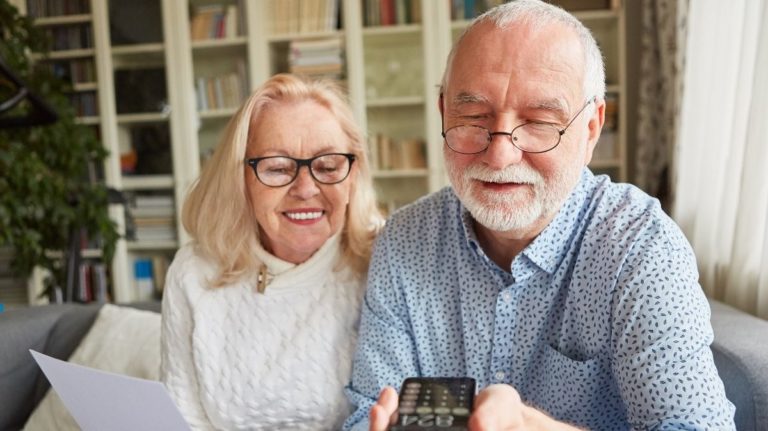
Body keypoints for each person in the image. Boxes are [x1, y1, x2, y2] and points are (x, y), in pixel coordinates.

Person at [344, 1, 735, 430]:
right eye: (474, 116)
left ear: (591, 129)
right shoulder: (404, 240)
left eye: (539, 122)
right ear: (443, 113)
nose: (500, 154)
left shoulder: (640, 248)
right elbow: (369, 411)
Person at [160, 73, 384, 430]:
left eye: (328, 166)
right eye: (278, 168)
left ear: (353, 173)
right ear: (240, 179)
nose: (306, 189)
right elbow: (183, 414)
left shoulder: (384, 260)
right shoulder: (194, 271)